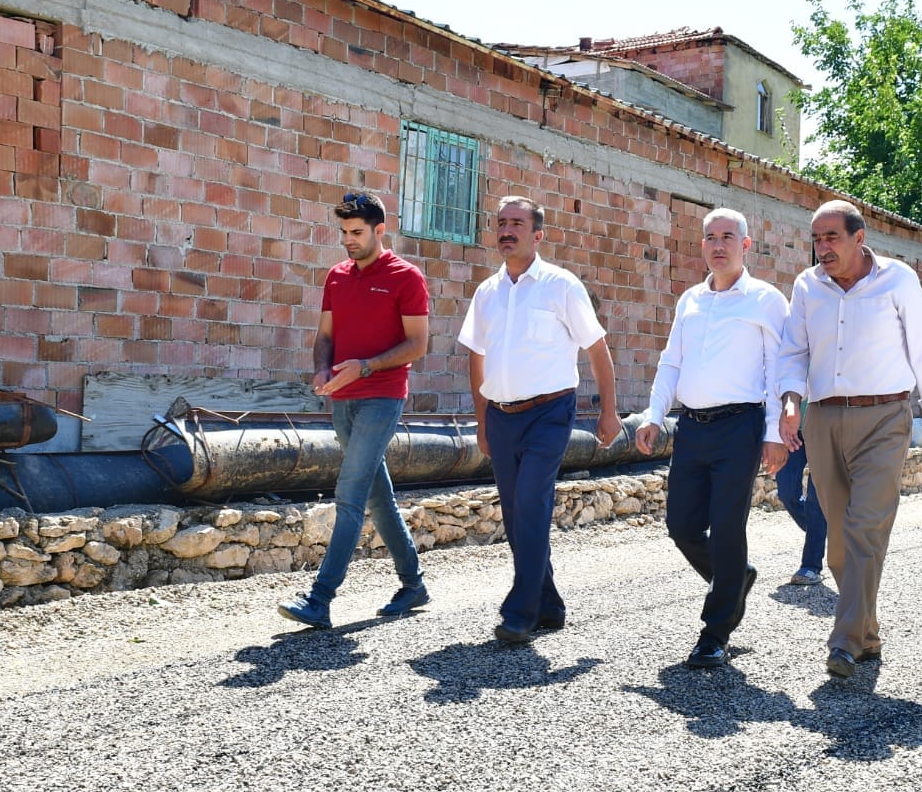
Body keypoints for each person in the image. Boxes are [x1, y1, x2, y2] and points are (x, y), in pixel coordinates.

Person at [775, 200, 922, 680]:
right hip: (824, 419)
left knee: (866, 526)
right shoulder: (807, 286)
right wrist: (791, 401)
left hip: (885, 417)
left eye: (832, 237)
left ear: (859, 237)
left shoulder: (898, 280)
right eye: (816, 239)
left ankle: (844, 641)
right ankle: (868, 633)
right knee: (837, 541)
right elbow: (794, 350)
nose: (823, 248)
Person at [458, 196, 623, 645]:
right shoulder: (487, 292)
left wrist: (608, 411)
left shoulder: (561, 285)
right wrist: (481, 421)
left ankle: (521, 611)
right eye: (501, 223)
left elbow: (596, 348)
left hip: (550, 413)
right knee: (516, 515)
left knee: (531, 504)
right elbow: (477, 357)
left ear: (537, 235)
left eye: (517, 223)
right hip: (501, 416)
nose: (507, 230)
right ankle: (548, 604)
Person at [632, 208, 790, 669]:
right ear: (702, 246)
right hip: (691, 427)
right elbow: (671, 362)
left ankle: (715, 632)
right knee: (681, 526)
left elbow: (776, 371)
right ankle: (734, 578)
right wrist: (654, 414)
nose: (718, 245)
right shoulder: (690, 301)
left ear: (745, 246)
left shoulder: (765, 299)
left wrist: (773, 432)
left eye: (728, 237)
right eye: (710, 237)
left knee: (726, 528)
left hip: (739, 427)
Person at [277, 192, 432, 631]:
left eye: (357, 232)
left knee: (348, 494)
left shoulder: (406, 277)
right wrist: (323, 368)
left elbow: (417, 345)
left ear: (379, 231)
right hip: (341, 399)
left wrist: (365, 366)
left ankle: (320, 598)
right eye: (343, 232)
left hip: (383, 396)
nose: (348, 240)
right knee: (376, 494)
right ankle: (413, 584)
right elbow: (324, 334)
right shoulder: (337, 276)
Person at [774, 425, 829, 586]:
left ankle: (810, 566)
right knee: (786, 492)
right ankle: (821, 530)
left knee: (815, 501)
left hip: (824, 428)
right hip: (793, 431)